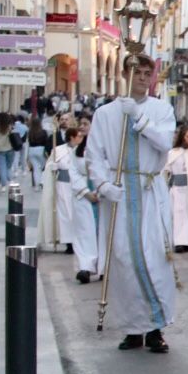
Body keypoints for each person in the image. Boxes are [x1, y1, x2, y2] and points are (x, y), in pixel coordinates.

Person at [89, 55, 178, 352]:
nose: (141, 78)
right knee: (124, 260)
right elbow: (95, 154)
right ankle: (132, 328)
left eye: (145, 73)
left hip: (150, 191)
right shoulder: (105, 113)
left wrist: (140, 121)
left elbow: (165, 143)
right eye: (136, 72)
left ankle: (155, 327)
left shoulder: (161, 110)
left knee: (154, 258)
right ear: (125, 74)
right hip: (120, 194)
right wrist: (102, 184)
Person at [67, 121, 103, 283]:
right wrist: (86, 192)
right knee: (84, 233)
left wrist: (100, 190)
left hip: (101, 195)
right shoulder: (76, 152)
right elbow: (73, 173)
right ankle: (85, 267)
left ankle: (103, 266)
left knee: (103, 232)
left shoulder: (104, 153)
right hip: (83, 197)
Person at [40, 124, 79, 251]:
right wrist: (53, 166)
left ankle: (77, 241)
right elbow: (50, 165)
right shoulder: (59, 150)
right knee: (65, 215)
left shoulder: (83, 149)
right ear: (71, 137)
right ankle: (68, 242)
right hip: (63, 186)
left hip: (78, 187)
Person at [0, 112, 15, 187]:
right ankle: (10, 179)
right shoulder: (10, 126)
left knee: (1, 167)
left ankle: (4, 184)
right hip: (10, 148)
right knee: (8, 166)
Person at [26, 114, 50, 189]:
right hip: (41, 149)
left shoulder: (30, 132)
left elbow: (28, 142)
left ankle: (37, 185)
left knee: (36, 168)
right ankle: (42, 182)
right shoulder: (44, 132)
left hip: (31, 150)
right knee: (44, 167)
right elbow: (46, 141)